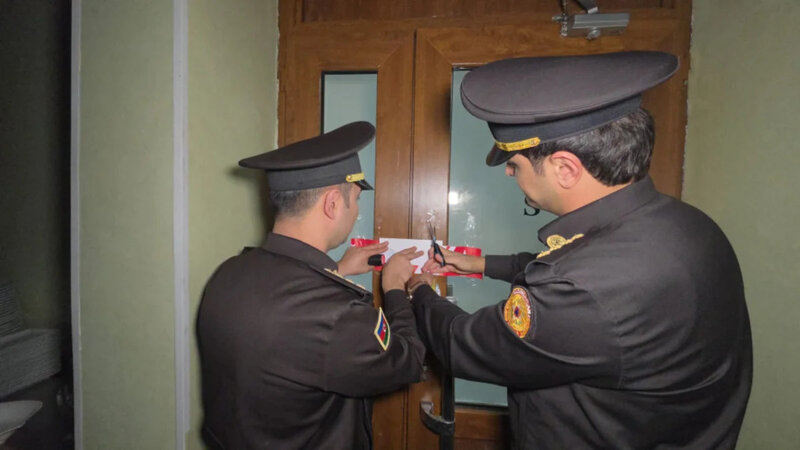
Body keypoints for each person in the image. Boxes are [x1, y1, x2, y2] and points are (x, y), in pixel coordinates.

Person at [390, 52, 753, 449]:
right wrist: (478, 264)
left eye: (515, 165)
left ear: (565, 168)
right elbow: (581, 278)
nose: (511, 175)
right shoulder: (687, 226)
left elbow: (463, 344)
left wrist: (417, 290)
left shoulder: (586, 287)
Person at [197, 121, 425, 449]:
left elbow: (285, 309)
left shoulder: (228, 274)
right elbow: (408, 361)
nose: (356, 211)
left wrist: (337, 269)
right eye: (356, 200)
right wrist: (394, 289)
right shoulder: (336, 315)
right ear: (333, 203)